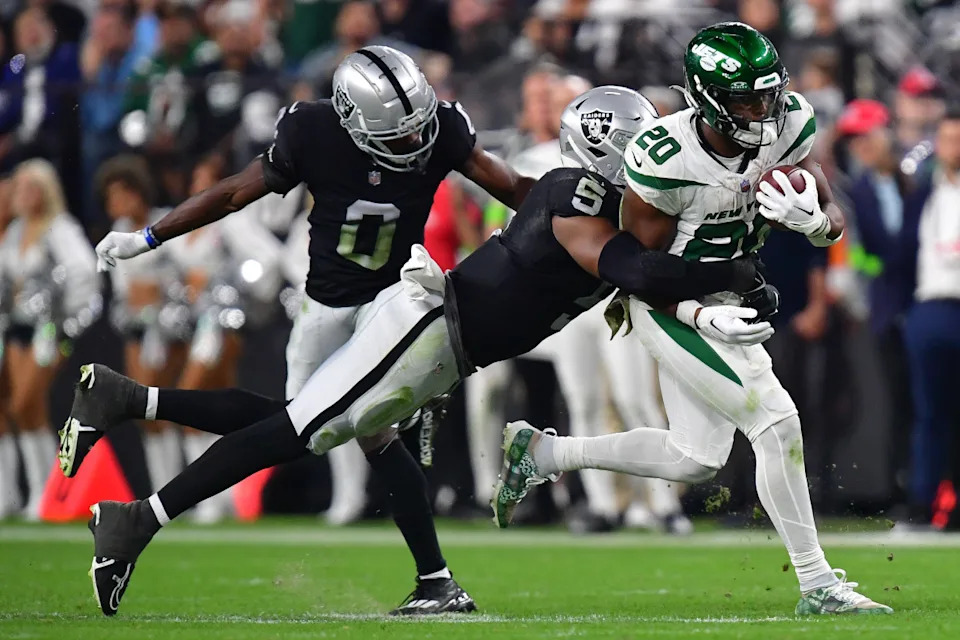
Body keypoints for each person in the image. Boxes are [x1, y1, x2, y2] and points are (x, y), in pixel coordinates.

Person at [62, 85, 762, 618]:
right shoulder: (575, 197)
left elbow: (661, 258)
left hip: (447, 343)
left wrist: (743, 254)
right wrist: (731, 274)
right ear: (614, 155)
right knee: (301, 429)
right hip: (428, 328)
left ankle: (433, 583)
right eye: (646, 152)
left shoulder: (617, 209)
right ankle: (137, 518)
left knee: (304, 425)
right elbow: (637, 273)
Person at [69, 45, 537, 616]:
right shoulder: (313, 130)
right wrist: (151, 236)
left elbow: (512, 187)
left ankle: (435, 580)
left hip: (391, 302)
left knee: (349, 429)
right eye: (397, 136)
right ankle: (130, 418)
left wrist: (579, 209)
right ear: (350, 119)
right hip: (327, 308)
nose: (413, 144)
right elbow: (235, 192)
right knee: (300, 429)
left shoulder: (439, 127)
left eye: (418, 131)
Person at [493, 23, 892, 616]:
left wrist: (815, 222)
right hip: (669, 303)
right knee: (776, 422)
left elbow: (828, 207)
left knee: (694, 456)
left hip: (727, 292)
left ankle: (545, 456)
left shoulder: (788, 124)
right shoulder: (666, 157)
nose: (764, 111)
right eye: (745, 99)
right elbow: (640, 272)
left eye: (769, 93)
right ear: (705, 99)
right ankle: (818, 584)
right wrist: (700, 314)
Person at [0, 159, 99, 519]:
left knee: (27, 402)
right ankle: (15, 493)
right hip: (16, 328)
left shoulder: (60, 228)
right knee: (16, 408)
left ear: (45, 192)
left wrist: (67, 321)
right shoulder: (14, 232)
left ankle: (47, 490)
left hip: (48, 330)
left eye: (31, 187)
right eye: (19, 187)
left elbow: (84, 272)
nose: (22, 194)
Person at [903, 111, 960, 529]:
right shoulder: (924, 190)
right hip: (931, 307)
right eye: (944, 138)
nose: (950, 146)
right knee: (929, 412)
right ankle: (924, 503)